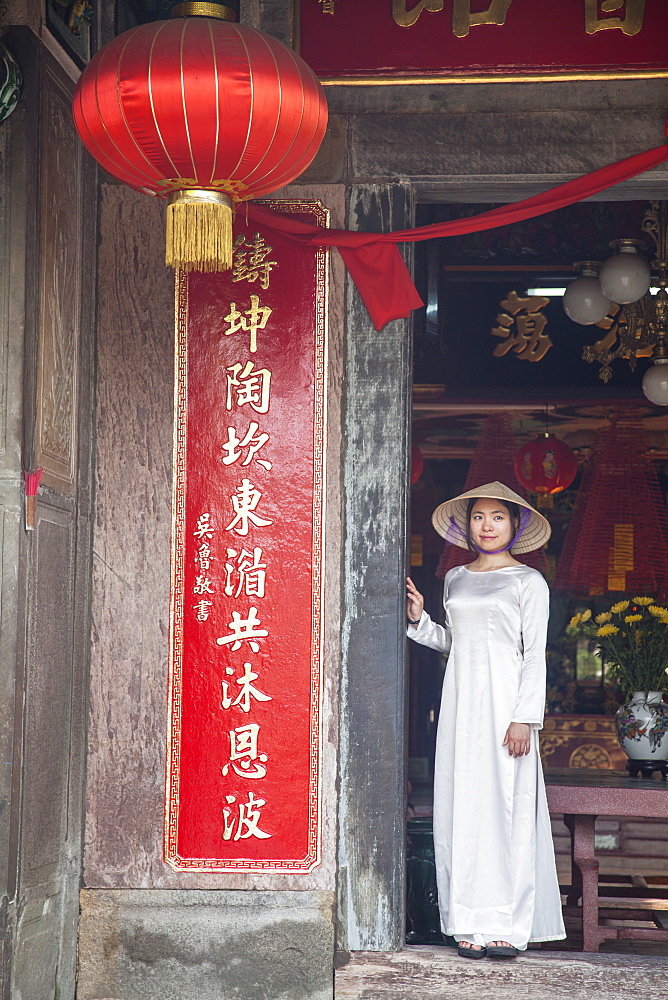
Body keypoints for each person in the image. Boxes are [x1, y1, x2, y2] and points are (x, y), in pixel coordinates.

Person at [406, 481, 565, 960]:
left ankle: (507, 924)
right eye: (479, 517)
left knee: (507, 809)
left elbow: (534, 654)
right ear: (466, 524)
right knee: (463, 807)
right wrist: (420, 621)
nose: (487, 525)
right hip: (461, 707)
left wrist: (523, 718)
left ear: (515, 525)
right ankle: (468, 922)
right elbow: (457, 644)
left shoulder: (528, 581)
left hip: (506, 708)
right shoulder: (455, 578)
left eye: (498, 517)